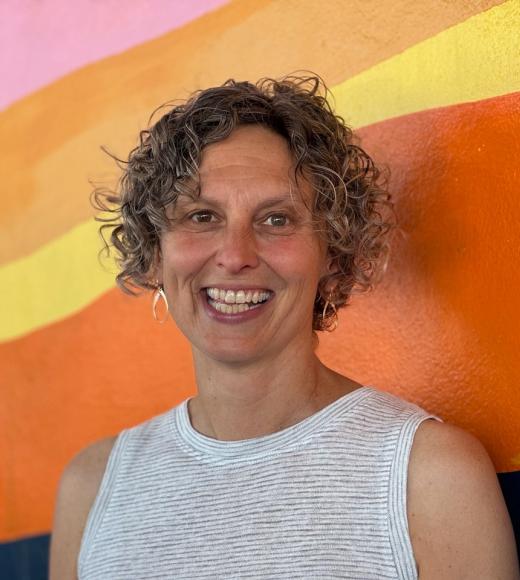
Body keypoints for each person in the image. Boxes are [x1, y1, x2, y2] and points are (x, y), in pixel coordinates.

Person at [49, 75, 519, 579]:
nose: (234, 256)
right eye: (202, 215)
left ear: (333, 256)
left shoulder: (428, 479)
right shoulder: (93, 489)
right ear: (153, 256)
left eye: (276, 220)